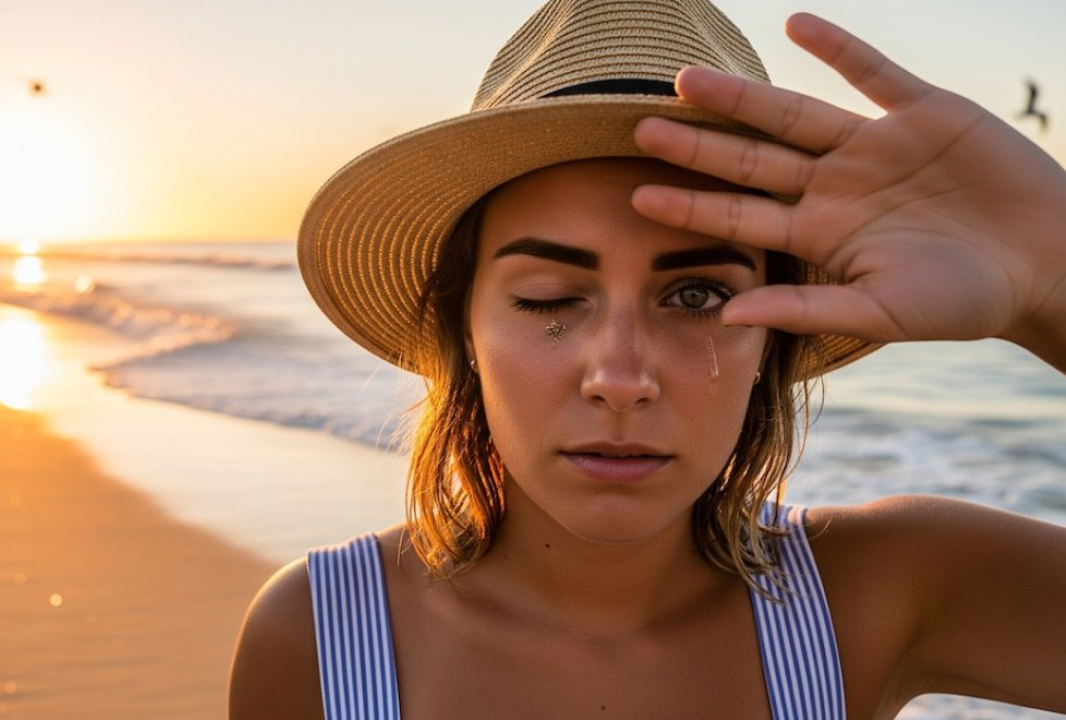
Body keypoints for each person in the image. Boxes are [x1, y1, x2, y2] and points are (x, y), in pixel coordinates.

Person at [230, 0, 1066, 718]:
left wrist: (1051, 274)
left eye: (696, 296)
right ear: (466, 331)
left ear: (772, 335)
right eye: (551, 297)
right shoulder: (321, 637)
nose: (621, 379)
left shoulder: (886, 590)